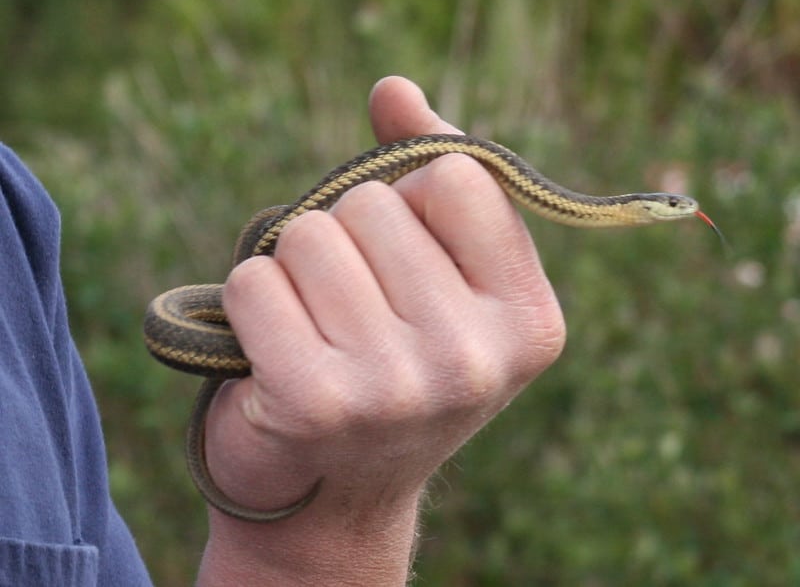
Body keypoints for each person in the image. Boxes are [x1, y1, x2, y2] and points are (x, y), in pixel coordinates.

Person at [0, 76, 565, 585]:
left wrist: (320, 541)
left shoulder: (13, 219)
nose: (661, 210)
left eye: (663, 207)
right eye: (661, 206)